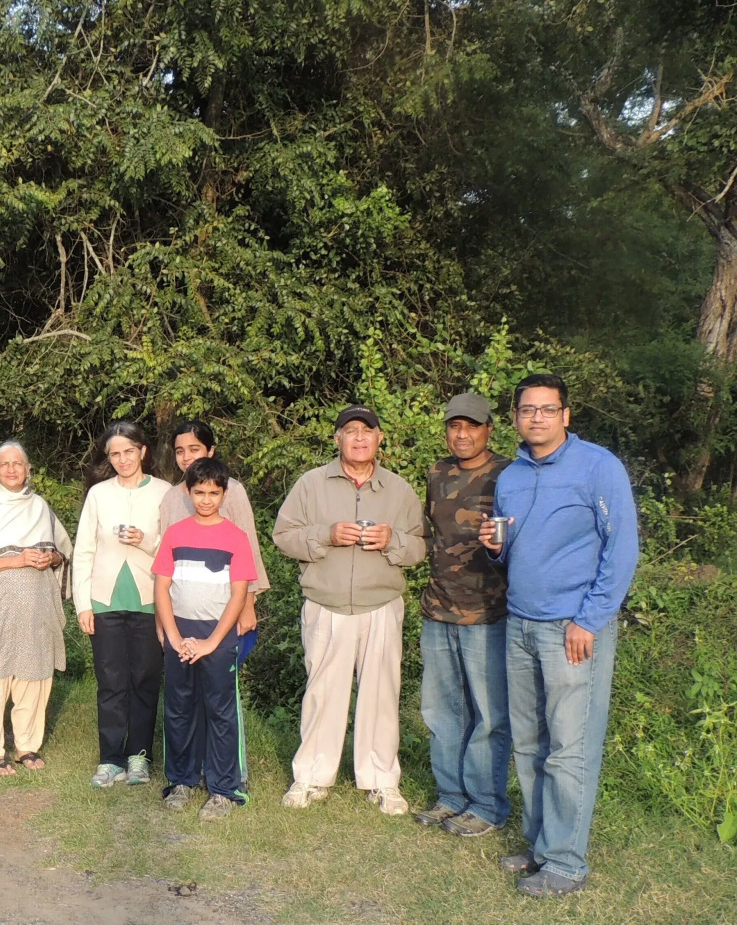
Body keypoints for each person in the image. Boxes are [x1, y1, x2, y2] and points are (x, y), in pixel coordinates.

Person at [478, 373, 638, 897]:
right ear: (516, 417)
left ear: (566, 415)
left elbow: (621, 551)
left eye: (548, 410)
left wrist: (589, 620)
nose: (537, 418)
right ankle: (541, 846)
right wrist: (494, 546)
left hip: (572, 630)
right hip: (519, 621)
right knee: (529, 744)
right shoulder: (511, 476)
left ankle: (567, 863)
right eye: (527, 410)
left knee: (570, 748)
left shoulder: (598, 467)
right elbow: (508, 548)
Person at [272, 405, 426, 815]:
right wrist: (326, 534)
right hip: (326, 604)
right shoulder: (311, 484)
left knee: (381, 694)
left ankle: (381, 780)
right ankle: (311, 778)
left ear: (379, 439)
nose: (359, 438)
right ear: (337, 438)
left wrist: (392, 539)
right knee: (323, 692)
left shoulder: (399, 490)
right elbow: (282, 535)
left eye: (367, 431)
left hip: (381, 605)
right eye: (350, 431)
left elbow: (419, 548)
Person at [414, 392, 512, 837]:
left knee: (487, 716)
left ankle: (486, 805)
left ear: (489, 429)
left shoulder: (509, 474)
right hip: (438, 610)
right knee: (441, 711)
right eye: (455, 425)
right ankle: (450, 797)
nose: (463, 434)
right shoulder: (437, 471)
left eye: (472, 425)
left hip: (488, 613)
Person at [152, 458, 258, 821]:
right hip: (179, 632)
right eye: (199, 492)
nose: (207, 500)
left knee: (220, 712)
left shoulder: (235, 538)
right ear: (188, 491)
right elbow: (162, 588)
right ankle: (181, 781)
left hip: (219, 634)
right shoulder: (175, 534)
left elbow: (239, 594)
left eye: (214, 493)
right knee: (179, 708)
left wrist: (213, 642)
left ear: (224, 494)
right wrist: (172, 635)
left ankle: (224, 789)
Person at [0, 440, 73, 776]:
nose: (11, 469)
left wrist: (50, 557)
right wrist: (16, 559)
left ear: (28, 471)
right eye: (4, 464)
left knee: (33, 675)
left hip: (36, 605)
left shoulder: (40, 507)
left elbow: (63, 552)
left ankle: (27, 745)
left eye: (18, 463)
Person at [71, 421, 172, 788]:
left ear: (143, 451)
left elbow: (174, 551)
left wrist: (146, 540)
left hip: (150, 601)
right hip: (105, 600)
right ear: (108, 457)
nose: (123, 459)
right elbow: (83, 551)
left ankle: (139, 756)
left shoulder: (166, 493)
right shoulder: (99, 494)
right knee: (111, 682)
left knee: (145, 681)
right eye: (115, 453)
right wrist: (83, 604)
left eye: (129, 451)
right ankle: (110, 759)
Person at [157, 419, 269, 636]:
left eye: (194, 449)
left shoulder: (232, 491)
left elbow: (250, 550)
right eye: (180, 451)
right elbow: (165, 563)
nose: (186, 457)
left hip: (225, 605)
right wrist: (162, 619)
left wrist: (248, 605)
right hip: (182, 610)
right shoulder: (171, 498)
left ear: (210, 451)